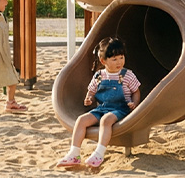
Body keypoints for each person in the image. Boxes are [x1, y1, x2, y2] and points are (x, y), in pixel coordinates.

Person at [57, 38, 140, 170]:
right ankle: (74, 153)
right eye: (114, 59)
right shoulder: (99, 76)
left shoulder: (127, 75)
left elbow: (136, 91)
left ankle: (99, 153)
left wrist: (134, 103)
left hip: (120, 109)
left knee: (106, 120)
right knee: (81, 120)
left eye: (121, 57)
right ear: (103, 61)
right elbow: (91, 91)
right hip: (102, 108)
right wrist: (89, 98)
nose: (119, 62)